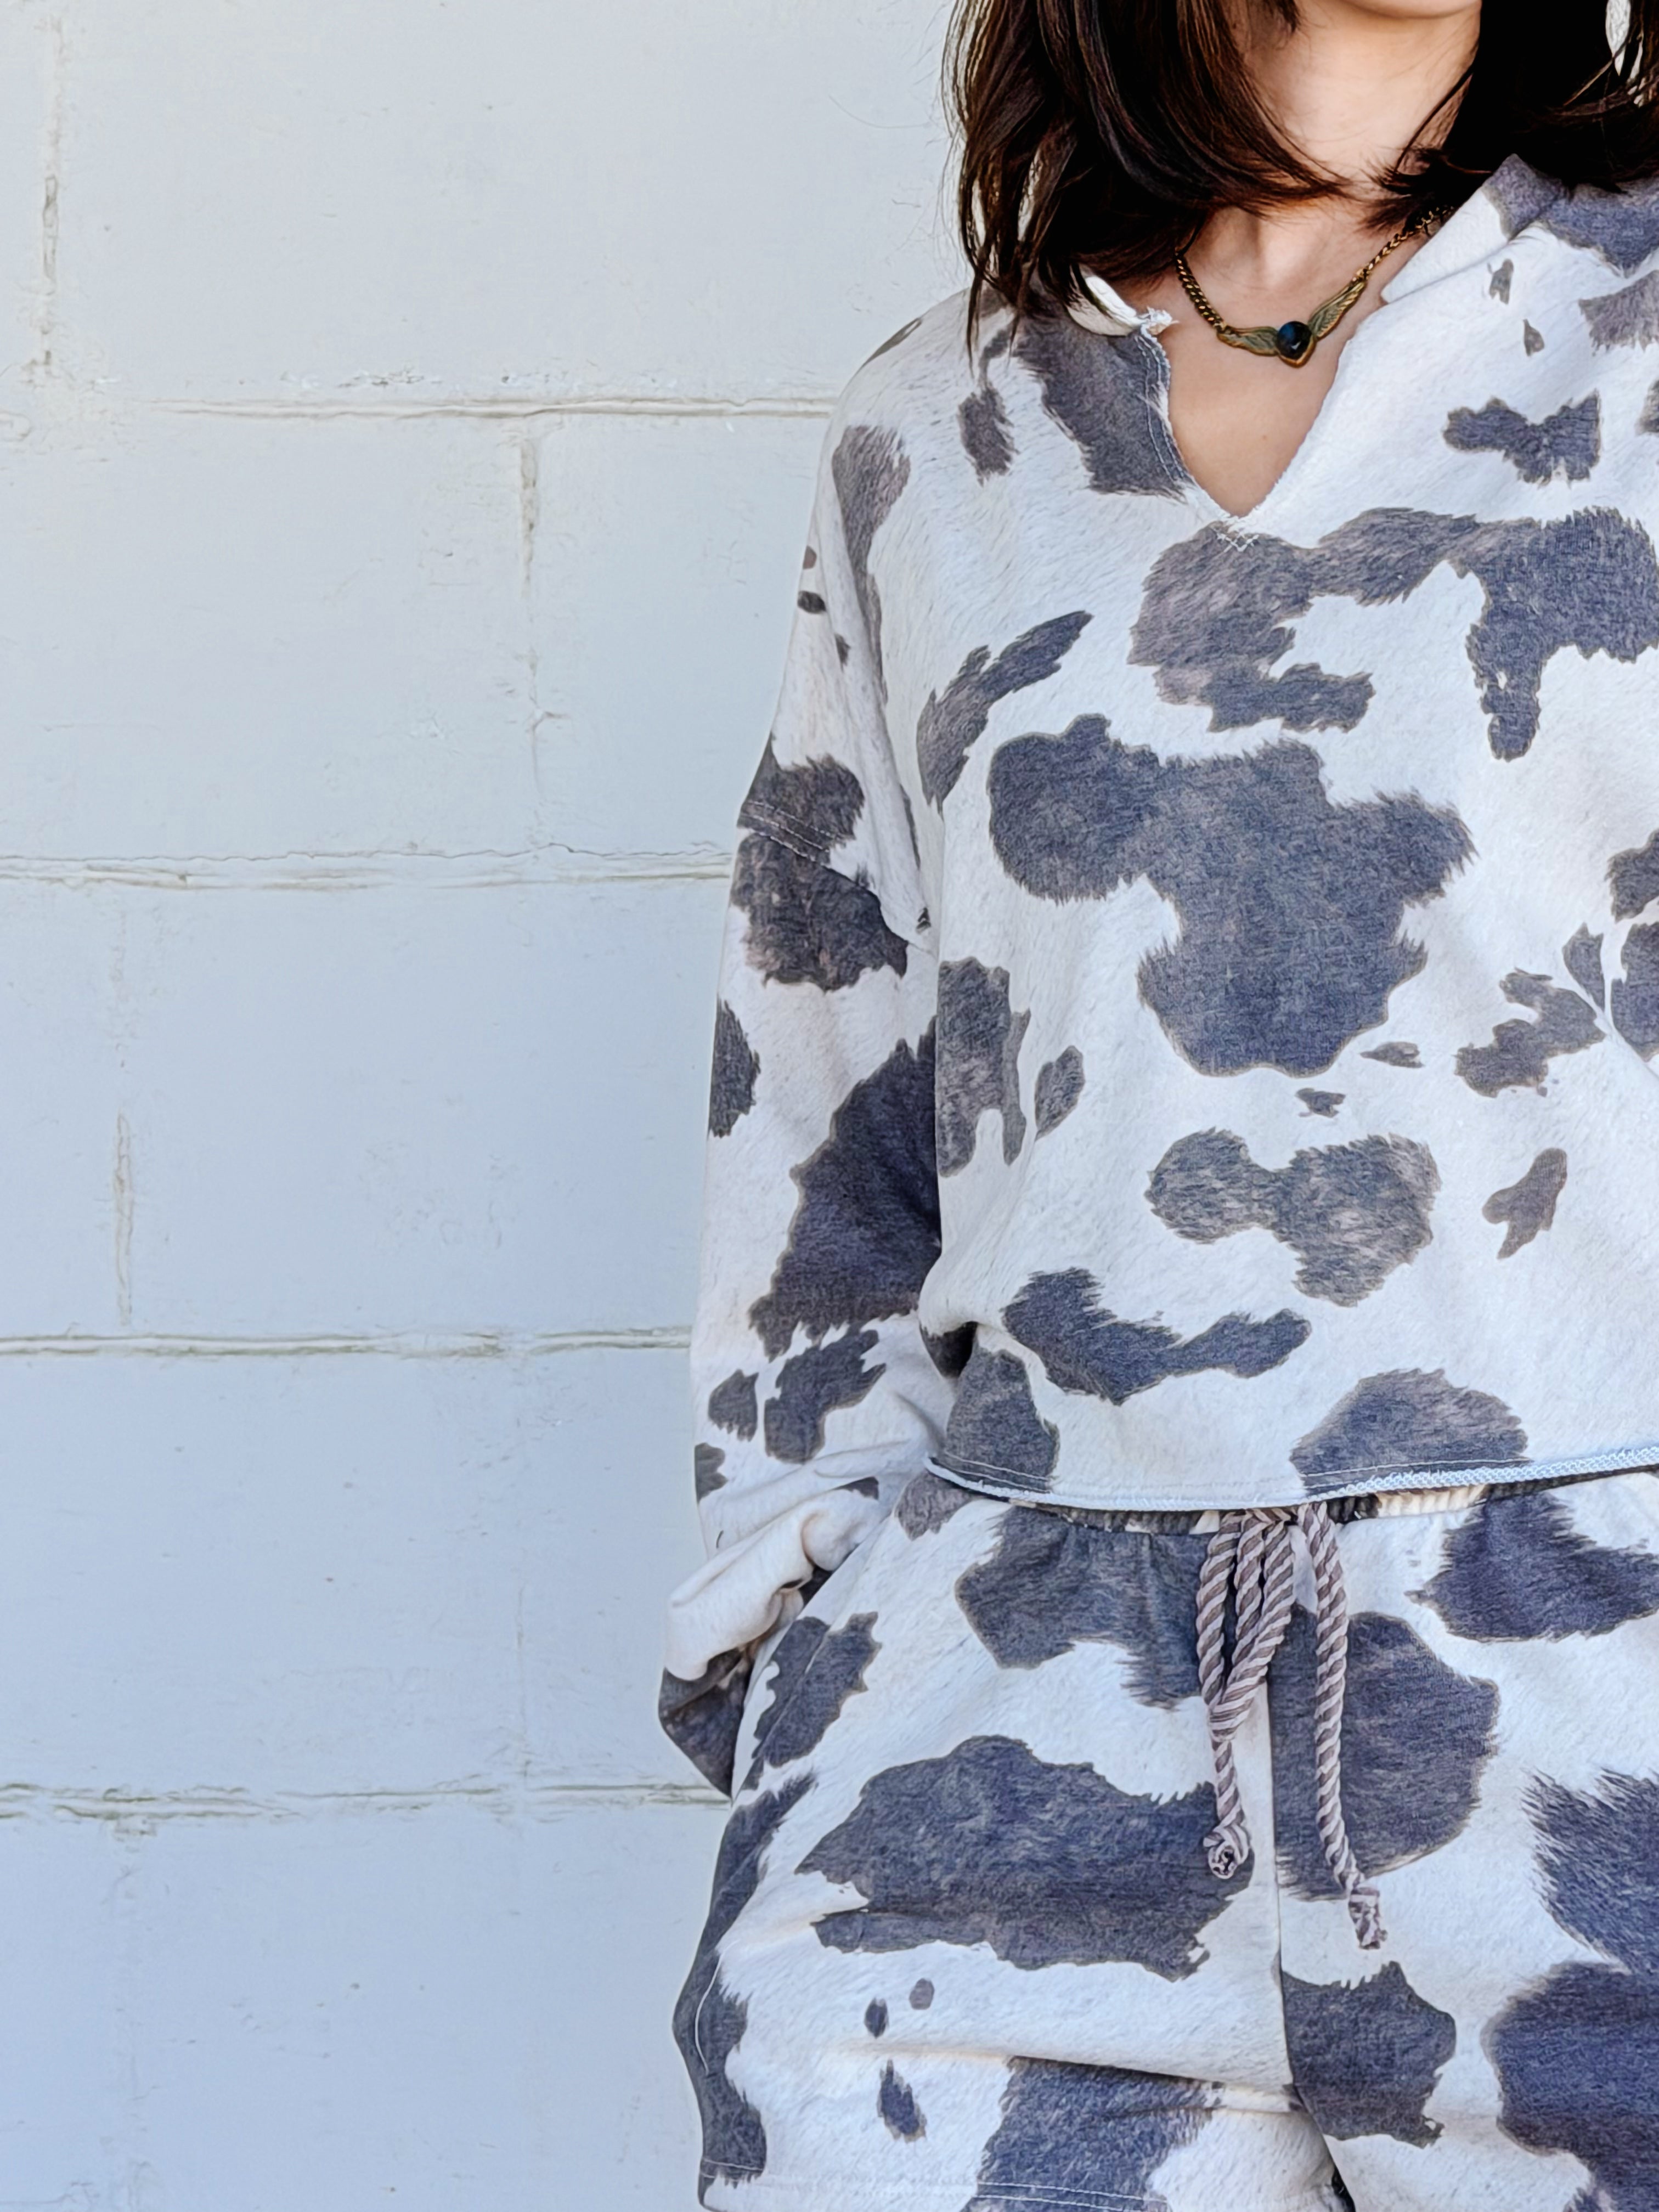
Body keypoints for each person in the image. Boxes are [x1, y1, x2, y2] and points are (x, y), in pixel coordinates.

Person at [659, 1, 1659, 2204]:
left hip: (1606, 1770)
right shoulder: (939, 429)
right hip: (1003, 1778)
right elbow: (825, 1093)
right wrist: (802, 1652)